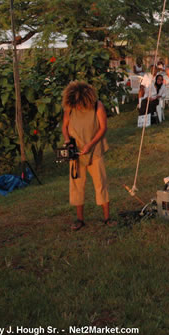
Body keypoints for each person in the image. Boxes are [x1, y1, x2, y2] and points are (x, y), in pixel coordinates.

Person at [61, 81, 112, 231]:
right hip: (76, 153)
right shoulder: (69, 107)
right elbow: (64, 126)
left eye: (80, 104)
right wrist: (67, 141)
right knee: (77, 186)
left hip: (95, 151)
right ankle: (80, 219)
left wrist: (90, 144)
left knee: (101, 184)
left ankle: (107, 218)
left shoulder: (97, 106)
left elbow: (103, 128)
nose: (78, 107)